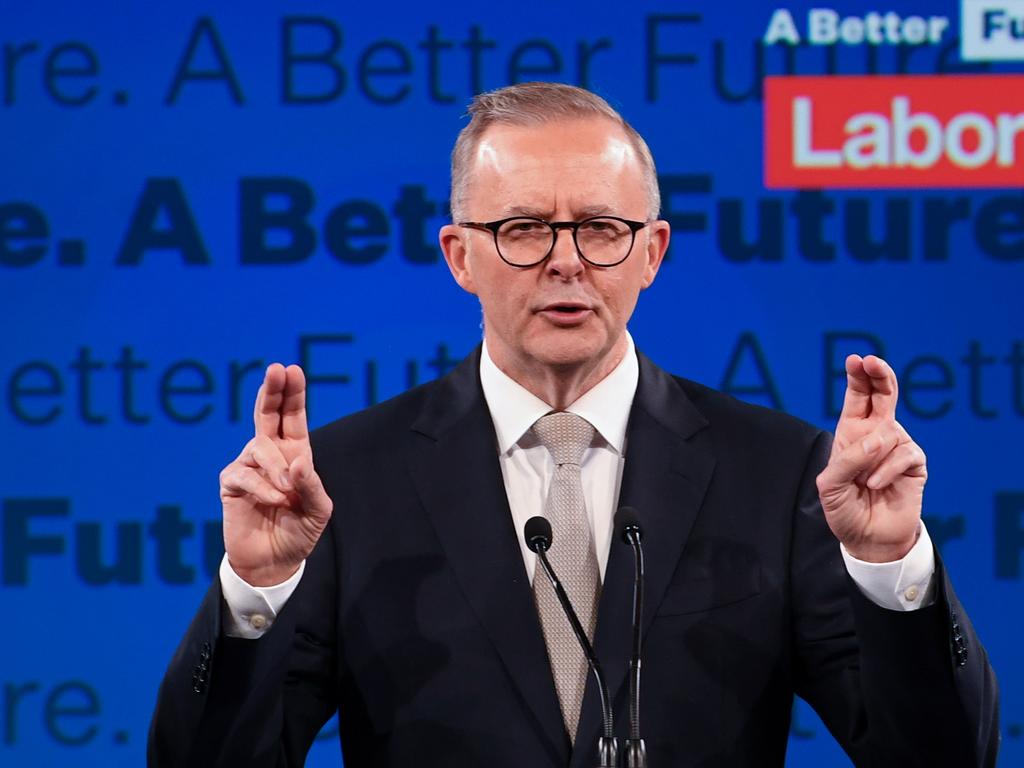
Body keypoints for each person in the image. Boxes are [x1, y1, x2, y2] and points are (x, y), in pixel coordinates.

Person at [148, 82, 999, 767]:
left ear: (652, 252)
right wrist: (257, 591)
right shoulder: (344, 483)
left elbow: (941, 757)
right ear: (460, 257)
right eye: (522, 228)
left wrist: (892, 570)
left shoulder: (778, 473)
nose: (566, 260)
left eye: (600, 228)